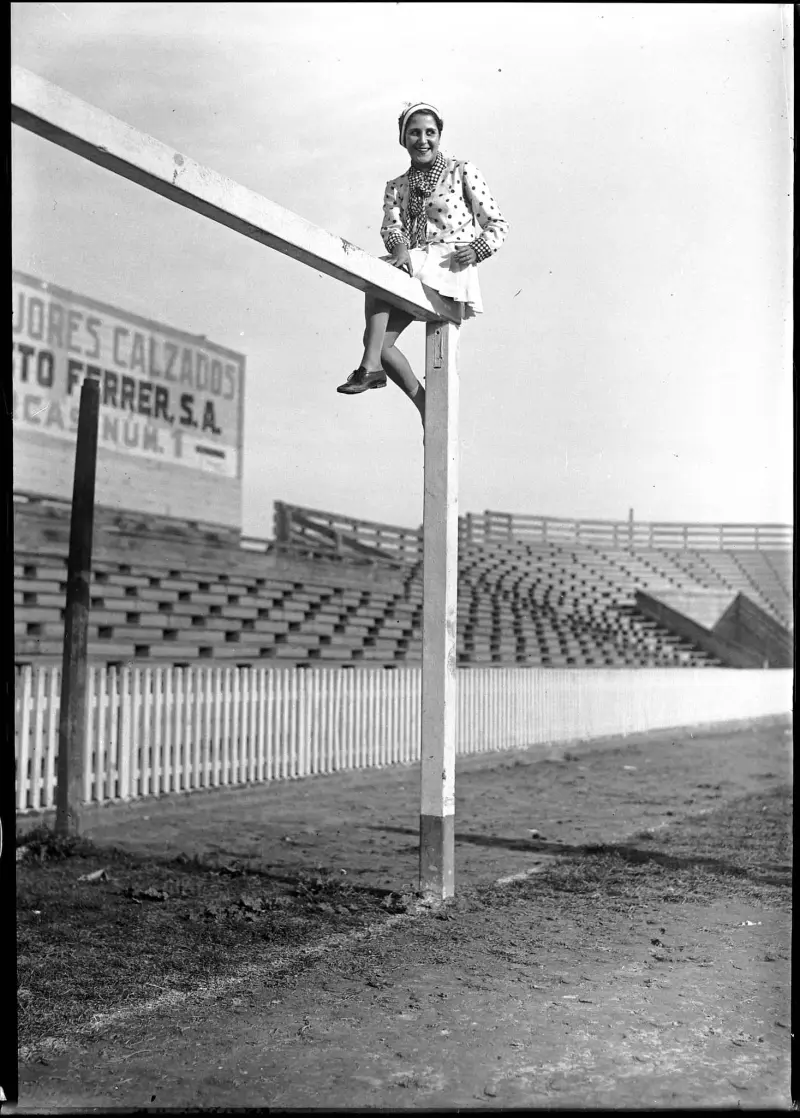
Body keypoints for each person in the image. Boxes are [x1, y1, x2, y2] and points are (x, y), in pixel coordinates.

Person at [337, 101, 509, 425]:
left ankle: (368, 366)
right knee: (379, 343)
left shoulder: (462, 170)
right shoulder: (396, 186)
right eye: (414, 133)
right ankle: (424, 406)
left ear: (440, 135)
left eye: (430, 132)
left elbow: (498, 224)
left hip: (449, 266)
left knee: (375, 273)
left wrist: (479, 248)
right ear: (403, 140)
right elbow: (392, 227)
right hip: (416, 267)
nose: (422, 140)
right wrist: (400, 249)